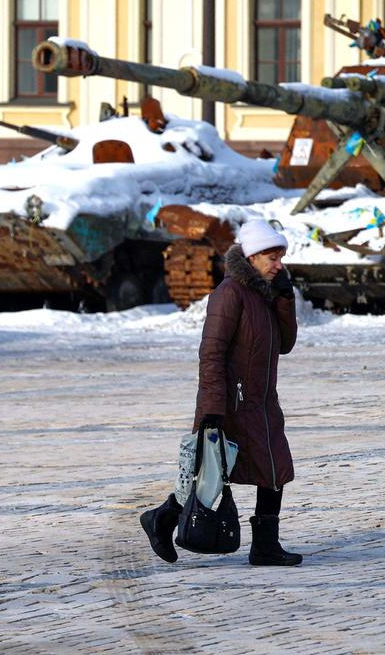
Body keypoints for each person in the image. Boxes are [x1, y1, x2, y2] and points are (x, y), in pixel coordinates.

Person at [140, 219, 301, 567]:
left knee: (275, 469)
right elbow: (211, 352)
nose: (279, 265)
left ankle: (265, 547)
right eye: (272, 258)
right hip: (231, 404)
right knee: (210, 477)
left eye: (281, 257)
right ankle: (162, 518)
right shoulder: (230, 294)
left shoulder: (267, 294)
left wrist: (286, 299)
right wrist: (212, 408)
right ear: (253, 258)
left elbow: (285, 344)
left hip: (261, 401)